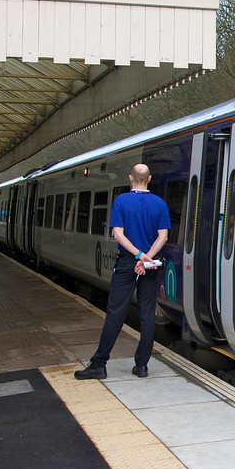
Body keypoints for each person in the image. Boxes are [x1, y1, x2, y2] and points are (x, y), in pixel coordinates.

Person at [75, 163, 170, 380]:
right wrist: (147, 257)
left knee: (116, 313)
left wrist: (138, 256)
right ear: (149, 178)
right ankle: (142, 366)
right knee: (147, 315)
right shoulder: (160, 204)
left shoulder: (121, 201)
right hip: (150, 265)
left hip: (129, 263)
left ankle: (99, 364)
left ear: (130, 178)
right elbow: (163, 237)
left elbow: (118, 234)